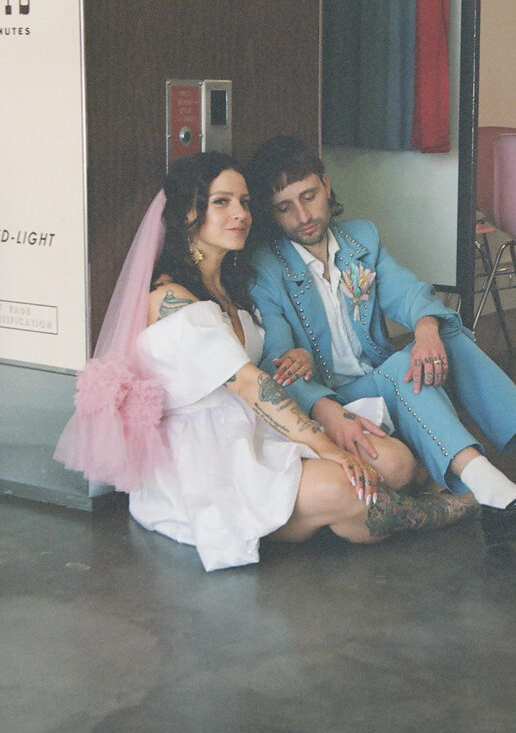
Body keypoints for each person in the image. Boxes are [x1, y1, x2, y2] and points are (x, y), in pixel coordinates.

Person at [55, 153, 477, 572]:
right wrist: (328, 447)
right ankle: (444, 509)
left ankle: (344, 512)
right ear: (187, 213)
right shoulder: (170, 299)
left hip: (255, 427)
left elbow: (259, 365)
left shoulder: (231, 285)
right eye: (221, 202)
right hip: (210, 456)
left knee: (395, 463)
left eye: (243, 201)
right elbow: (248, 384)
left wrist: (296, 358)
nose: (240, 213)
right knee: (346, 485)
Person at [247, 135, 516, 546]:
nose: (303, 215)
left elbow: (408, 291)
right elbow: (278, 362)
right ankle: (489, 486)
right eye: (285, 207)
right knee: (405, 364)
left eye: (309, 196)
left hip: (379, 380)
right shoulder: (267, 266)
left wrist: (425, 331)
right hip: (332, 399)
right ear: (271, 215)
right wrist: (313, 387)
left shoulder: (360, 238)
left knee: (443, 334)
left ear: (327, 186)